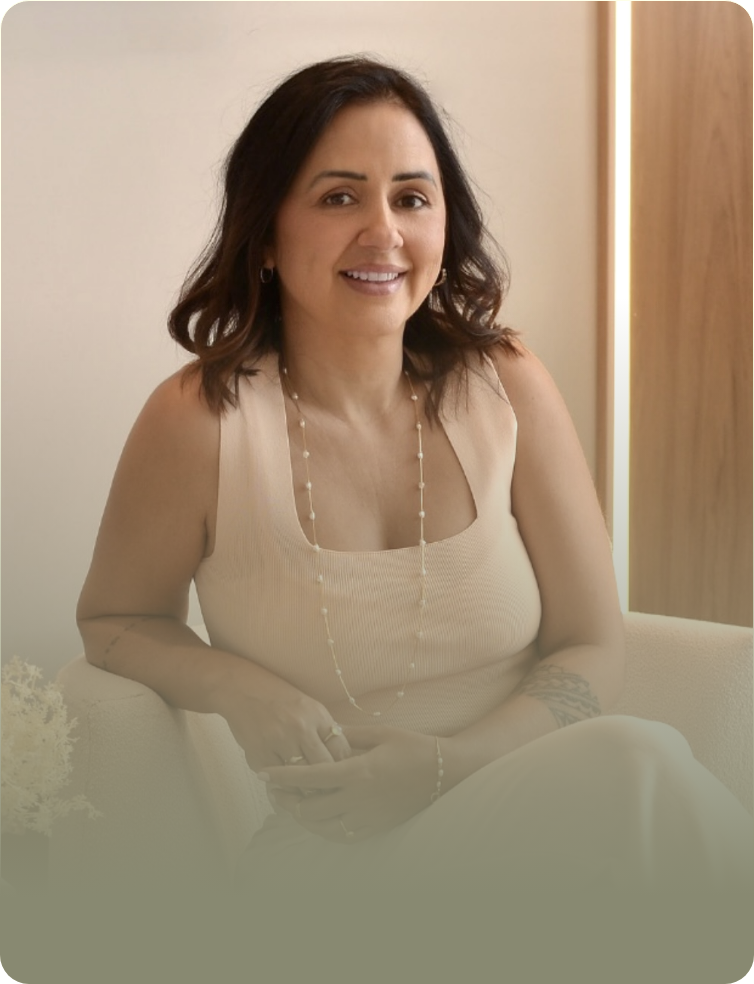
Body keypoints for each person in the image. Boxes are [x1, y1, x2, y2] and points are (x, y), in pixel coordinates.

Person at [76, 57, 752, 982]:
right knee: (636, 773)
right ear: (265, 234)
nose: (384, 232)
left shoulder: (505, 384)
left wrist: (444, 767)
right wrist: (238, 686)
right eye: (339, 197)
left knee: (632, 771)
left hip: (548, 821)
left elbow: (593, 643)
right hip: (335, 864)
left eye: (411, 198)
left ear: (444, 224)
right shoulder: (200, 419)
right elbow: (114, 620)